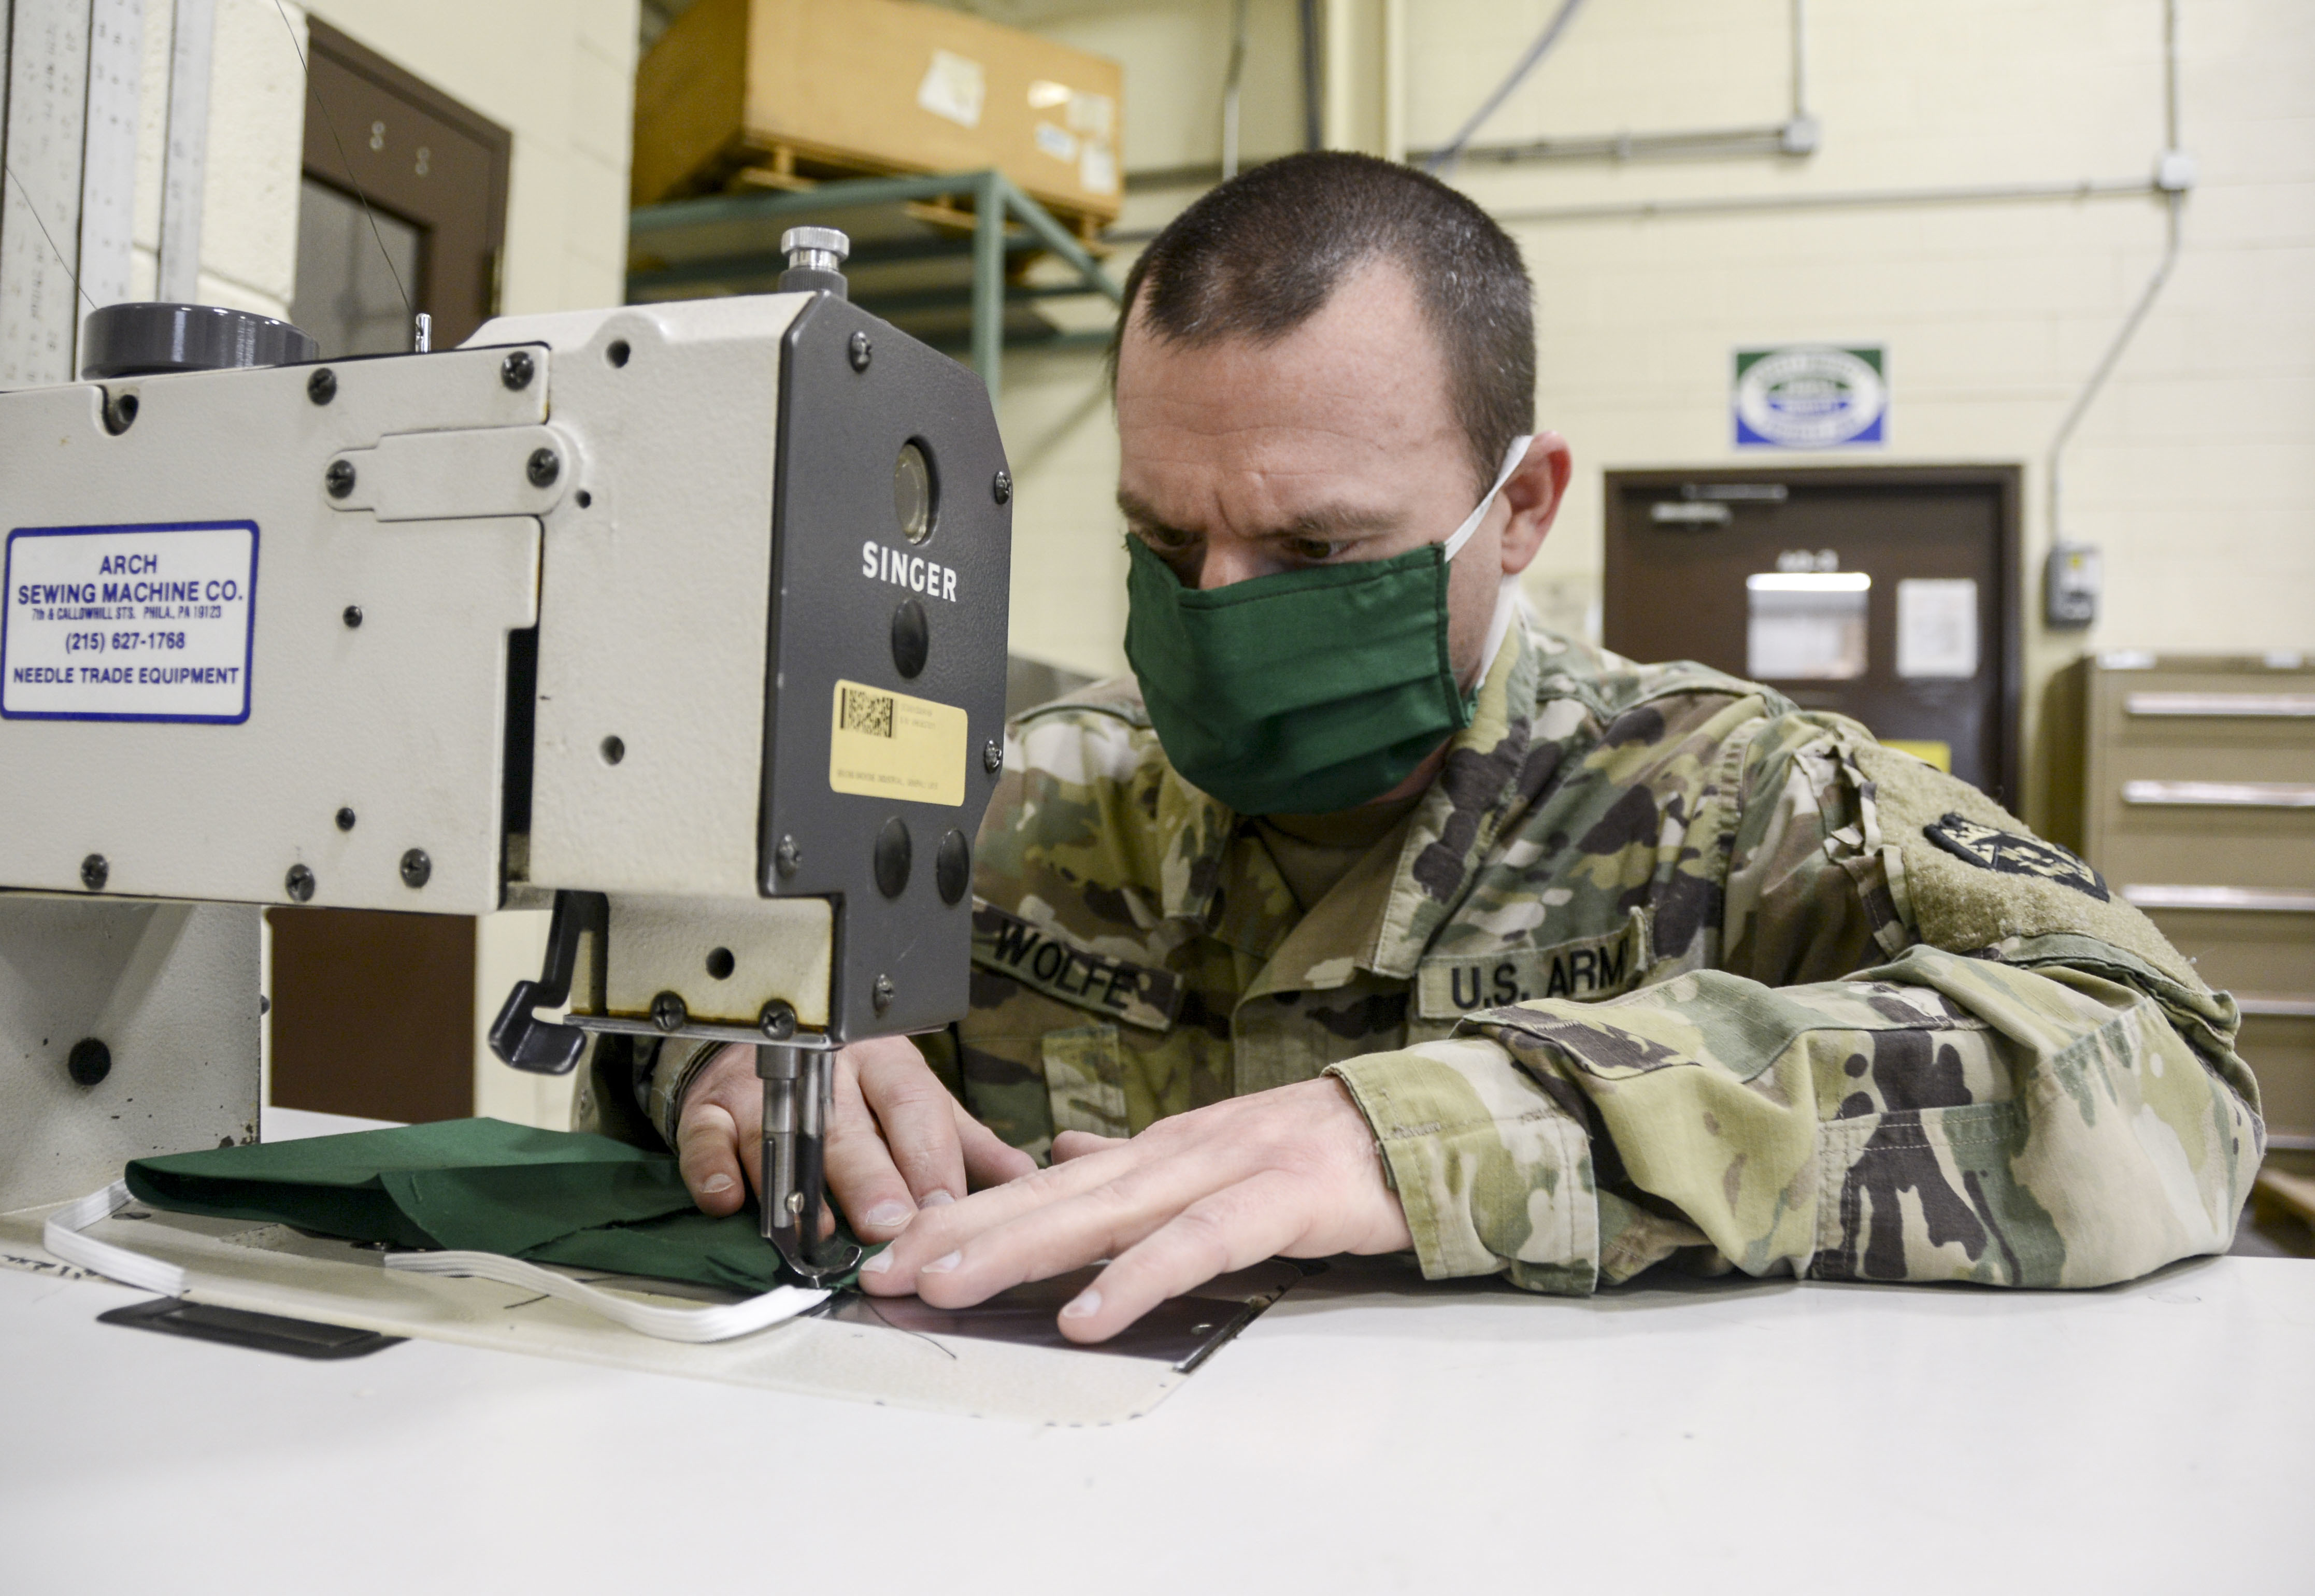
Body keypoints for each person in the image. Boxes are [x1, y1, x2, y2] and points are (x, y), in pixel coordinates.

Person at [592, 152, 2262, 1342]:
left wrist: (1471, 1130)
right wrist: (724, 1056)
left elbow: (2169, 1080)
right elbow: (647, 1011)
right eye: (1166, 548)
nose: (1222, 613)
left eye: (1316, 557)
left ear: (1518, 505)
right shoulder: (1016, 796)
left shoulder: (1721, 797)